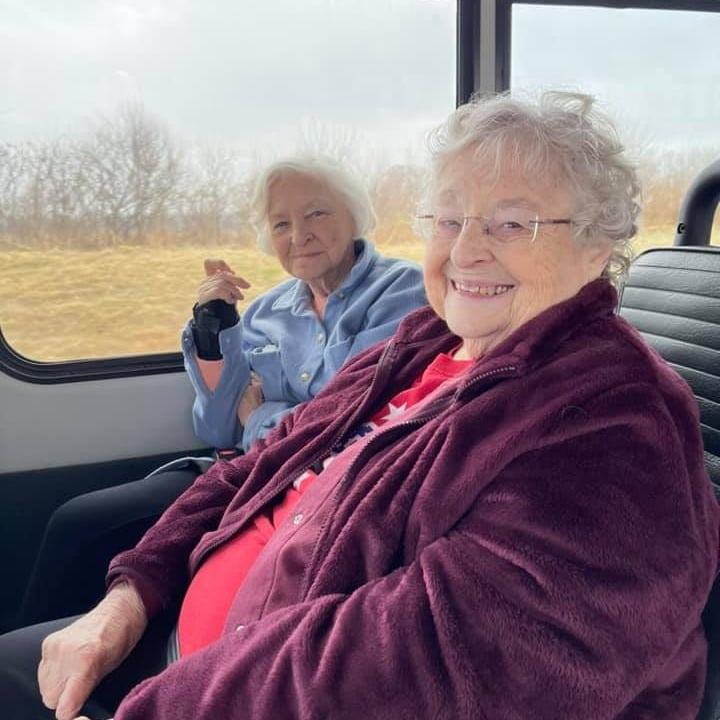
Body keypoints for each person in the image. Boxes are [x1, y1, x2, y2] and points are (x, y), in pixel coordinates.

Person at [2, 90, 718, 720]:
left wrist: (167, 702)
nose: (465, 251)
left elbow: (437, 666)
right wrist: (131, 595)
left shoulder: (616, 420)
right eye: (447, 219)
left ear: (597, 247)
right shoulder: (423, 343)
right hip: (207, 657)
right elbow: (256, 468)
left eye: (512, 224)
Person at [17, 155, 427, 627]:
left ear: (356, 215)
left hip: (313, 491)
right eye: (281, 223)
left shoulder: (403, 294)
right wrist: (214, 329)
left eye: (317, 213)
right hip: (239, 472)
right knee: (78, 523)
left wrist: (259, 417)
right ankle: (45, 676)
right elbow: (216, 425)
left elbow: (342, 428)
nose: (299, 234)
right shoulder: (265, 311)